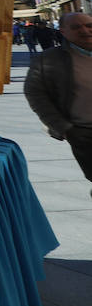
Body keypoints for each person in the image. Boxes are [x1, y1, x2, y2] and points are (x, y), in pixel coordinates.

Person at [25, 13, 92, 192]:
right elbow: (35, 94)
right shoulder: (48, 59)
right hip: (85, 133)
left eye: (89, 25)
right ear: (62, 31)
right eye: (76, 27)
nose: (85, 30)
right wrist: (64, 128)